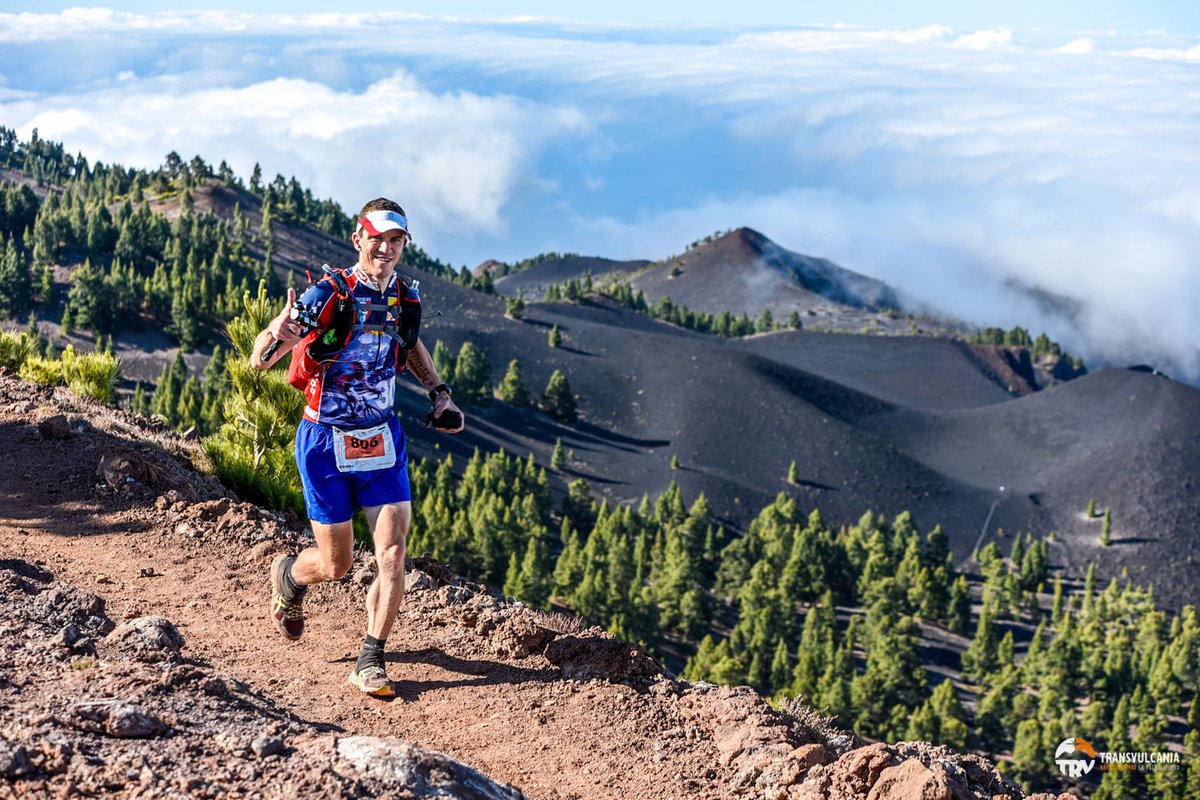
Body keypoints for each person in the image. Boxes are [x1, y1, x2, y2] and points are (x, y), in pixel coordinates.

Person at [251, 197, 464, 697]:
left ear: (404, 244)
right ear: (358, 238)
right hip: (325, 439)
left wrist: (439, 394)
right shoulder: (328, 294)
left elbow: (410, 346)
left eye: (396, 240)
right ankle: (290, 577)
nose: (385, 248)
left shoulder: (405, 299)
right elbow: (265, 359)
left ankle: (371, 658)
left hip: (381, 439)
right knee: (337, 565)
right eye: (377, 238)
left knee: (392, 553)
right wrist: (273, 334)